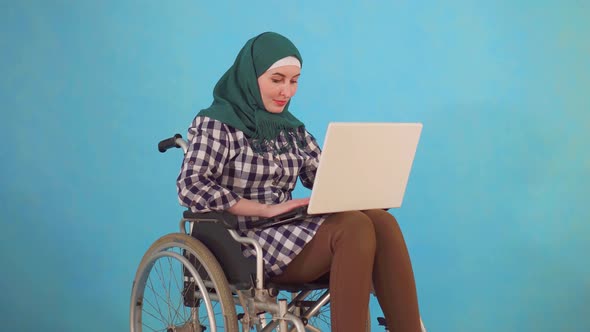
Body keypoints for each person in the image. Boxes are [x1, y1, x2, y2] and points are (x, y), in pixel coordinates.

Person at [177, 31, 422, 332]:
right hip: (243, 242)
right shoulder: (218, 125)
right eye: (277, 79)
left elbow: (322, 175)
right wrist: (264, 210)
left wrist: (364, 185)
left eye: (294, 81)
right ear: (250, 77)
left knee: (381, 222)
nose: (287, 91)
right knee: (354, 227)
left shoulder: (292, 131)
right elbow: (190, 185)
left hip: (289, 229)